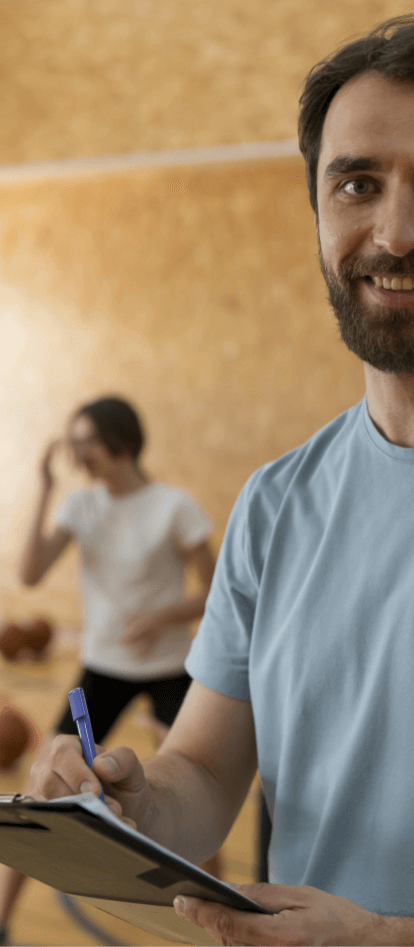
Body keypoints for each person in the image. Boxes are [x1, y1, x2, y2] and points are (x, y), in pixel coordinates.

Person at [23, 14, 414, 945]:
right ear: (319, 210)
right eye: (359, 183)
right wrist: (134, 806)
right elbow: (201, 773)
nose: (396, 232)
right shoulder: (274, 506)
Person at [0, 395, 217, 945]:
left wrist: (161, 617)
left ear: (122, 440)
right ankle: (0, 919)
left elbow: (215, 591)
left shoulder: (175, 506)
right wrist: (46, 486)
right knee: (41, 788)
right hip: (103, 668)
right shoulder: (79, 506)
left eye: (86, 440)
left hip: (171, 667)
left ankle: (221, 922)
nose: (77, 452)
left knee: (204, 787)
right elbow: (28, 574)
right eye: (72, 442)